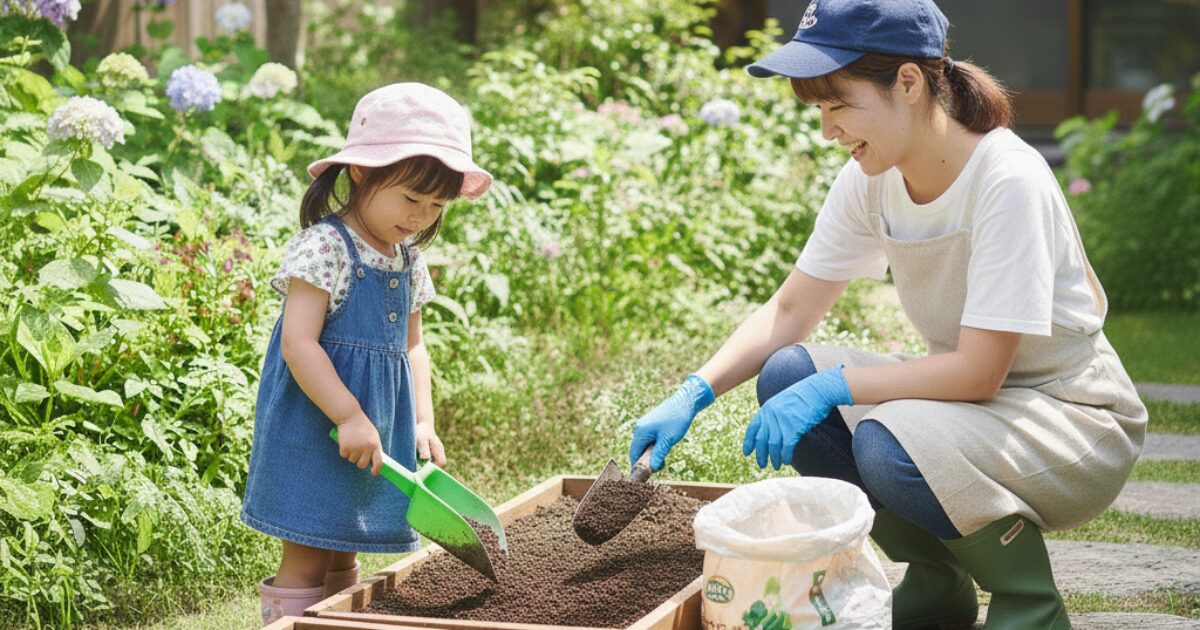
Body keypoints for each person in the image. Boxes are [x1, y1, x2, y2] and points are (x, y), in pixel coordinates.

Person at [627, 1, 1146, 628]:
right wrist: (693, 392)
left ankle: (1030, 603)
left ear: (908, 81)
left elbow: (981, 371)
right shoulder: (872, 177)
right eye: (818, 109)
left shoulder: (1008, 179)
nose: (826, 130)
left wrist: (839, 385)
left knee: (883, 439)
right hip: (975, 411)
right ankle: (937, 578)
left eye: (838, 105)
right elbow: (792, 308)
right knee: (787, 374)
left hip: (1070, 419)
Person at [240, 83, 492, 625]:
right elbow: (298, 342)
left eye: (435, 205)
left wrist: (423, 419)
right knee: (308, 549)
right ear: (361, 172)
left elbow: (414, 346)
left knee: (345, 542)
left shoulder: (406, 258)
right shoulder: (326, 246)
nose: (422, 216)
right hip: (318, 424)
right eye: (410, 198)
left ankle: (334, 621)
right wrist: (348, 415)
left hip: (372, 431)